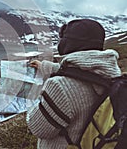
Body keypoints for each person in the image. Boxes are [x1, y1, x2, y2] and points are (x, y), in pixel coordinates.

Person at [26, 19, 122, 148]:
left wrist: (30, 97)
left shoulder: (59, 87)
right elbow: (82, 73)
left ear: (68, 43)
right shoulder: (111, 73)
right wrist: (45, 67)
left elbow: (38, 127)